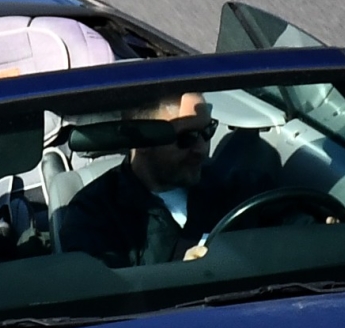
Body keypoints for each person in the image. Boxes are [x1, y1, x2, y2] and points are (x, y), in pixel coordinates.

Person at [54, 93, 221, 267]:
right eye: (187, 137)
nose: (201, 149)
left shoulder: (225, 184)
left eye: (208, 131)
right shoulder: (94, 214)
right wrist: (179, 274)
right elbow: (106, 288)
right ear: (142, 141)